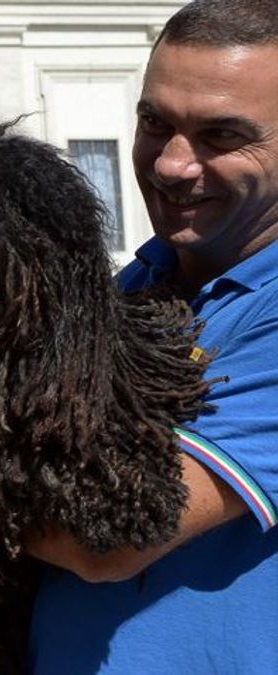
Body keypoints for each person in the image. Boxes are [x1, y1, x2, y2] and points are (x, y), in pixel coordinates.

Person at [27, 1, 278, 672]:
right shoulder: (124, 290)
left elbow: (106, 535)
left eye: (221, 136)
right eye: (154, 123)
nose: (172, 163)